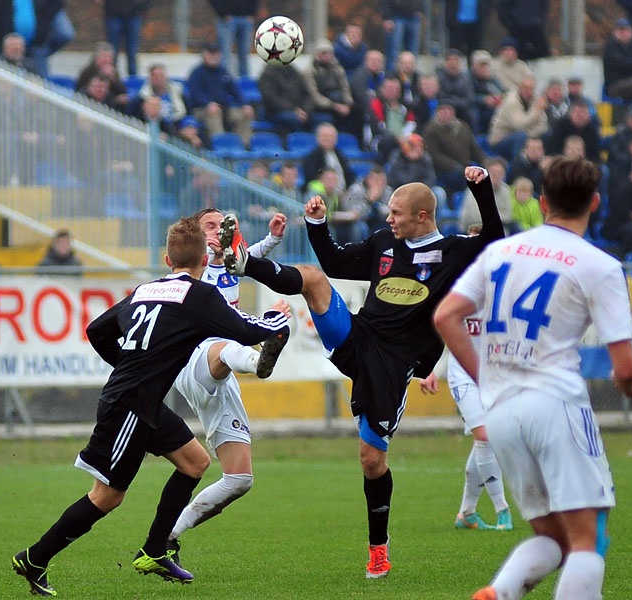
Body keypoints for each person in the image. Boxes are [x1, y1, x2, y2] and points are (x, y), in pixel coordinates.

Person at [217, 165, 505, 579]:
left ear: (423, 216)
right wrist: (317, 226)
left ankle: (378, 549)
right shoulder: (384, 242)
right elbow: (333, 262)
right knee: (314, 280)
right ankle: (244, 263)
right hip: (358, 337)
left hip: (393, 365)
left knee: (371, 460)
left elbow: (494, 241)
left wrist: (480, 190)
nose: (389, 218)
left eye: (397, 212)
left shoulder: (454, 252)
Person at [11, 217, 291, 597]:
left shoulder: (146, 289)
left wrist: (127, 365)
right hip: (128, 406)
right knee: (107, 496)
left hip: (140, 400)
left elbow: (96, 330)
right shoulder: (199, 295)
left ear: (167, 258)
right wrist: (277, 321)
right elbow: (246, 330)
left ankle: (155, 550)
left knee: (195, 462)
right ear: (204, 261)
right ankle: (35, 557)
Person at [434, 155, 632, 600]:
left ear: (543, 202)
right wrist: (631, 386)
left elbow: (447, 316)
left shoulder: (499, 252)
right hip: (555, 403)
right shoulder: (599, 265)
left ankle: (500, 592)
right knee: (587, 542)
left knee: (552, 538)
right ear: (596, 203)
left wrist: (485, 377)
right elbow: (625, 368)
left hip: (504, 412)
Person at [167, 209, 290, 563]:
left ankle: (168, 534)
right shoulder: (187, 273)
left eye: (223, 226)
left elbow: (249, 257)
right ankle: (259, 361)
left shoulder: (231, 262)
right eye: (210, 225)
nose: (219, 231)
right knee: (229, 345)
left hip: (221, 374)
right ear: (194, 238)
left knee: (239, 479)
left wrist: (274, 238)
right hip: (196, 359)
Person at [420, 314, 513, 532]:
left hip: (495, 374)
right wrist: (429, 367)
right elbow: (440, 324)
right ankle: (502, 510)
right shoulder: (460, 287)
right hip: (462, 374)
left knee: (487, 441)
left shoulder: (503, 288)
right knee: (484, 437)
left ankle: (467, 513)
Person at [186, 43, 254, 147]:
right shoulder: (197, 73)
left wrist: (245, 104)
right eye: (210, 54)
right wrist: (208, 103)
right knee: (213, 113)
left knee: (244, 114)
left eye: (216, 54)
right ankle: (220, 144)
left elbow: (235, 90)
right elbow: (196, 94)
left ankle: (244, 145)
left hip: (224, 108)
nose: (213, 57)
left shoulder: (223, 72)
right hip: (201, 110)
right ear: (204, 55)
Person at [207, 0, 262, 79]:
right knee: (224, 54)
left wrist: (252, 13)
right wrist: (222, 13)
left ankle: (244, 82)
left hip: (246, 18)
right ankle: (223, 80)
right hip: (226, 20)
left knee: (244, 54)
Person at [99, 0, 149, 77]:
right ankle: (111, 79)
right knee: (112, 51)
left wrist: (143, 6)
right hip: (113, 13)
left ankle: (133, 79)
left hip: (134, 13)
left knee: (132, 51)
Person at [381, 0, 422, 72]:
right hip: (395, 15)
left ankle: (411, 80)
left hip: (414, 16)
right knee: (393, 51)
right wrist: (386, 17)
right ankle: (391, 78)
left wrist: (419, 8)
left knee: (413, 52)